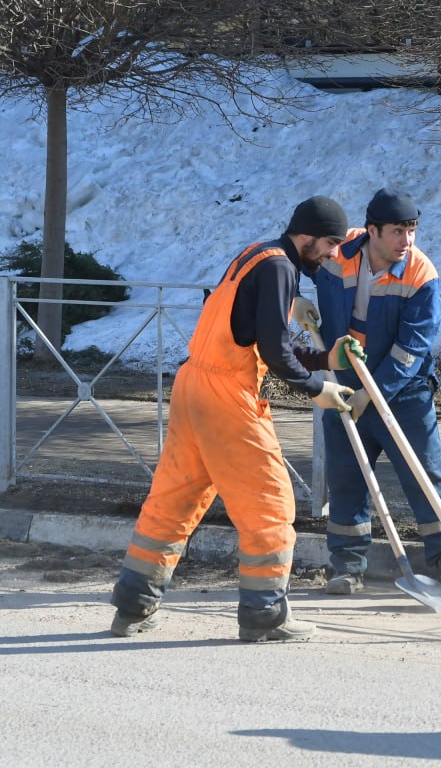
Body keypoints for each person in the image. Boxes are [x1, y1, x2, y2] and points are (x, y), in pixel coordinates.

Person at [109, 196, 365, 643]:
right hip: (227, 397)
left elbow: (258, 334)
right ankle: (265, 615)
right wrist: (316, 387)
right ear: (306, 234)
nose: (330, 254)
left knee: (173, 499)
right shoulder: (280, 269)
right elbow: (274, 351)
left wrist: (326, 355)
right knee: (270, 505)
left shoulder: (258, 254)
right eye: (328, 243)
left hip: (193, 387)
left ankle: (132, 608)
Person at [297, 188, 441, 599]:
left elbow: (412, 346)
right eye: (398, 231)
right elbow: (293, 257)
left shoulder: (419, 273)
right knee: (346, 480)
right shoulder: (337, 252)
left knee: (426, 476)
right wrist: (292, 298)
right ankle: (346, 565)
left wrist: (374, 392)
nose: (406, 241)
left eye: (412, 231)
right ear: (373, 230)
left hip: (404, 393)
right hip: (343, 388)